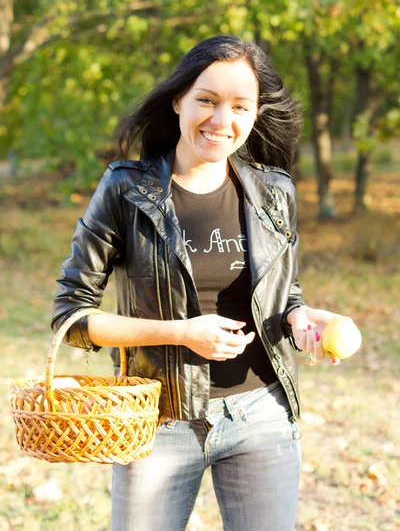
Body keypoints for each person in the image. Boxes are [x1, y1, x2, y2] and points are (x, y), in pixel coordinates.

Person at [52, 35, 355, 531]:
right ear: (178, 100)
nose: (221, 121)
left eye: (240, 106)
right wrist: (182, 332)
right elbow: (72, 316)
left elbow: (286, 295)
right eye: (207, 101)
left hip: (262, 415)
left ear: (256, 114)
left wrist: (303, 318)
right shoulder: (127, 190)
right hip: (159, 418)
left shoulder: (275, 192)